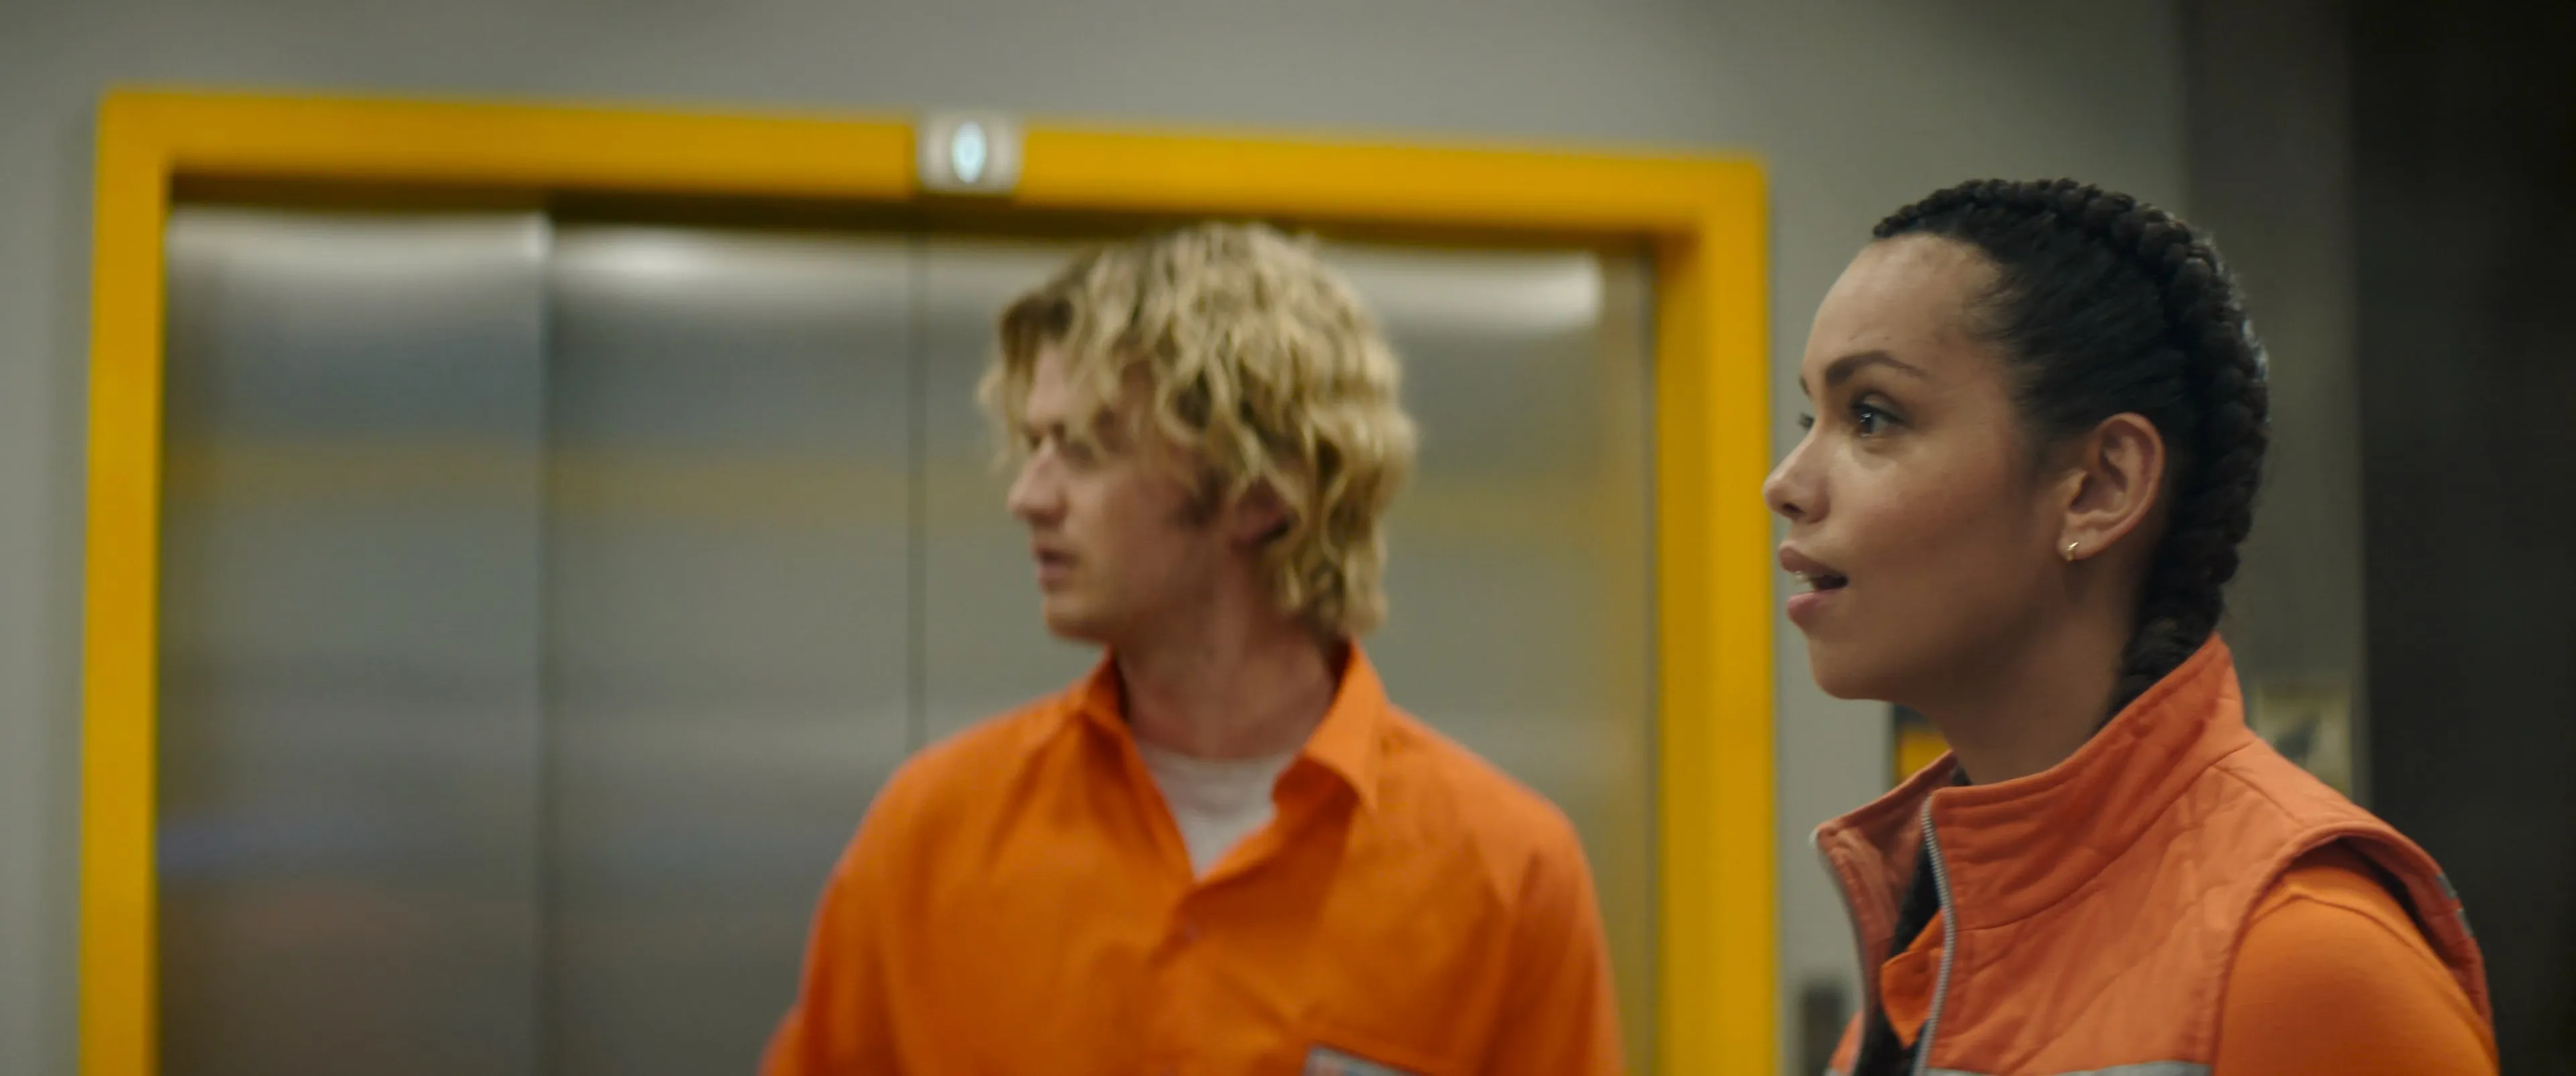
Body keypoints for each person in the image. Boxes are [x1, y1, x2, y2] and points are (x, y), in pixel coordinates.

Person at [761, 222, 1623, 1075]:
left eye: (1087, 449)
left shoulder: (1505, 875)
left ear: (1261, 491)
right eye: (1034, 445)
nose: (1028, 495)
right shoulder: (930, 836)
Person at [1765, 179, 2497, 1076]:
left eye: (1872, 416)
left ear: (2101, 487)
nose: (1785, 483)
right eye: (1811, 417)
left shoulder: (2307, 959)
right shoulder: (1930, 957)